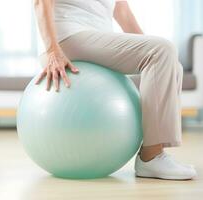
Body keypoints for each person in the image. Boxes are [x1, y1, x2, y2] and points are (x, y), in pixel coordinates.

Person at [33, 0, 197, 180]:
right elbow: (41, 2)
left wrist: (158, 55)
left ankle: (156, 154)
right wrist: (52, 51)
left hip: (94, 36)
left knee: (170, 61)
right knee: (163, 51)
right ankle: (152, 156)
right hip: (65, 37)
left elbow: (122, 10)